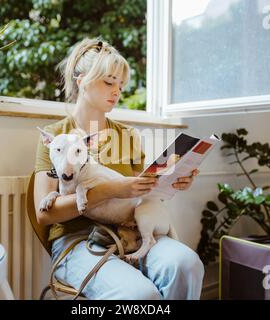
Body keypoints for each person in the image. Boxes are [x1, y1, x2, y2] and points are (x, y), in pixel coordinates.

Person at [34, 37, 204, 300]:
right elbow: (44, 215)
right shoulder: (56, 137)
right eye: (109, 82)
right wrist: (109, 189)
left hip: (130, 232)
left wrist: (174, 179)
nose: (117, 91)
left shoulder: (128, 135)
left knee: (187, 264)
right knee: (139, 296)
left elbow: (141, 193)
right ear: (81, 81)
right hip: (77, 240)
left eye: (121, 85)